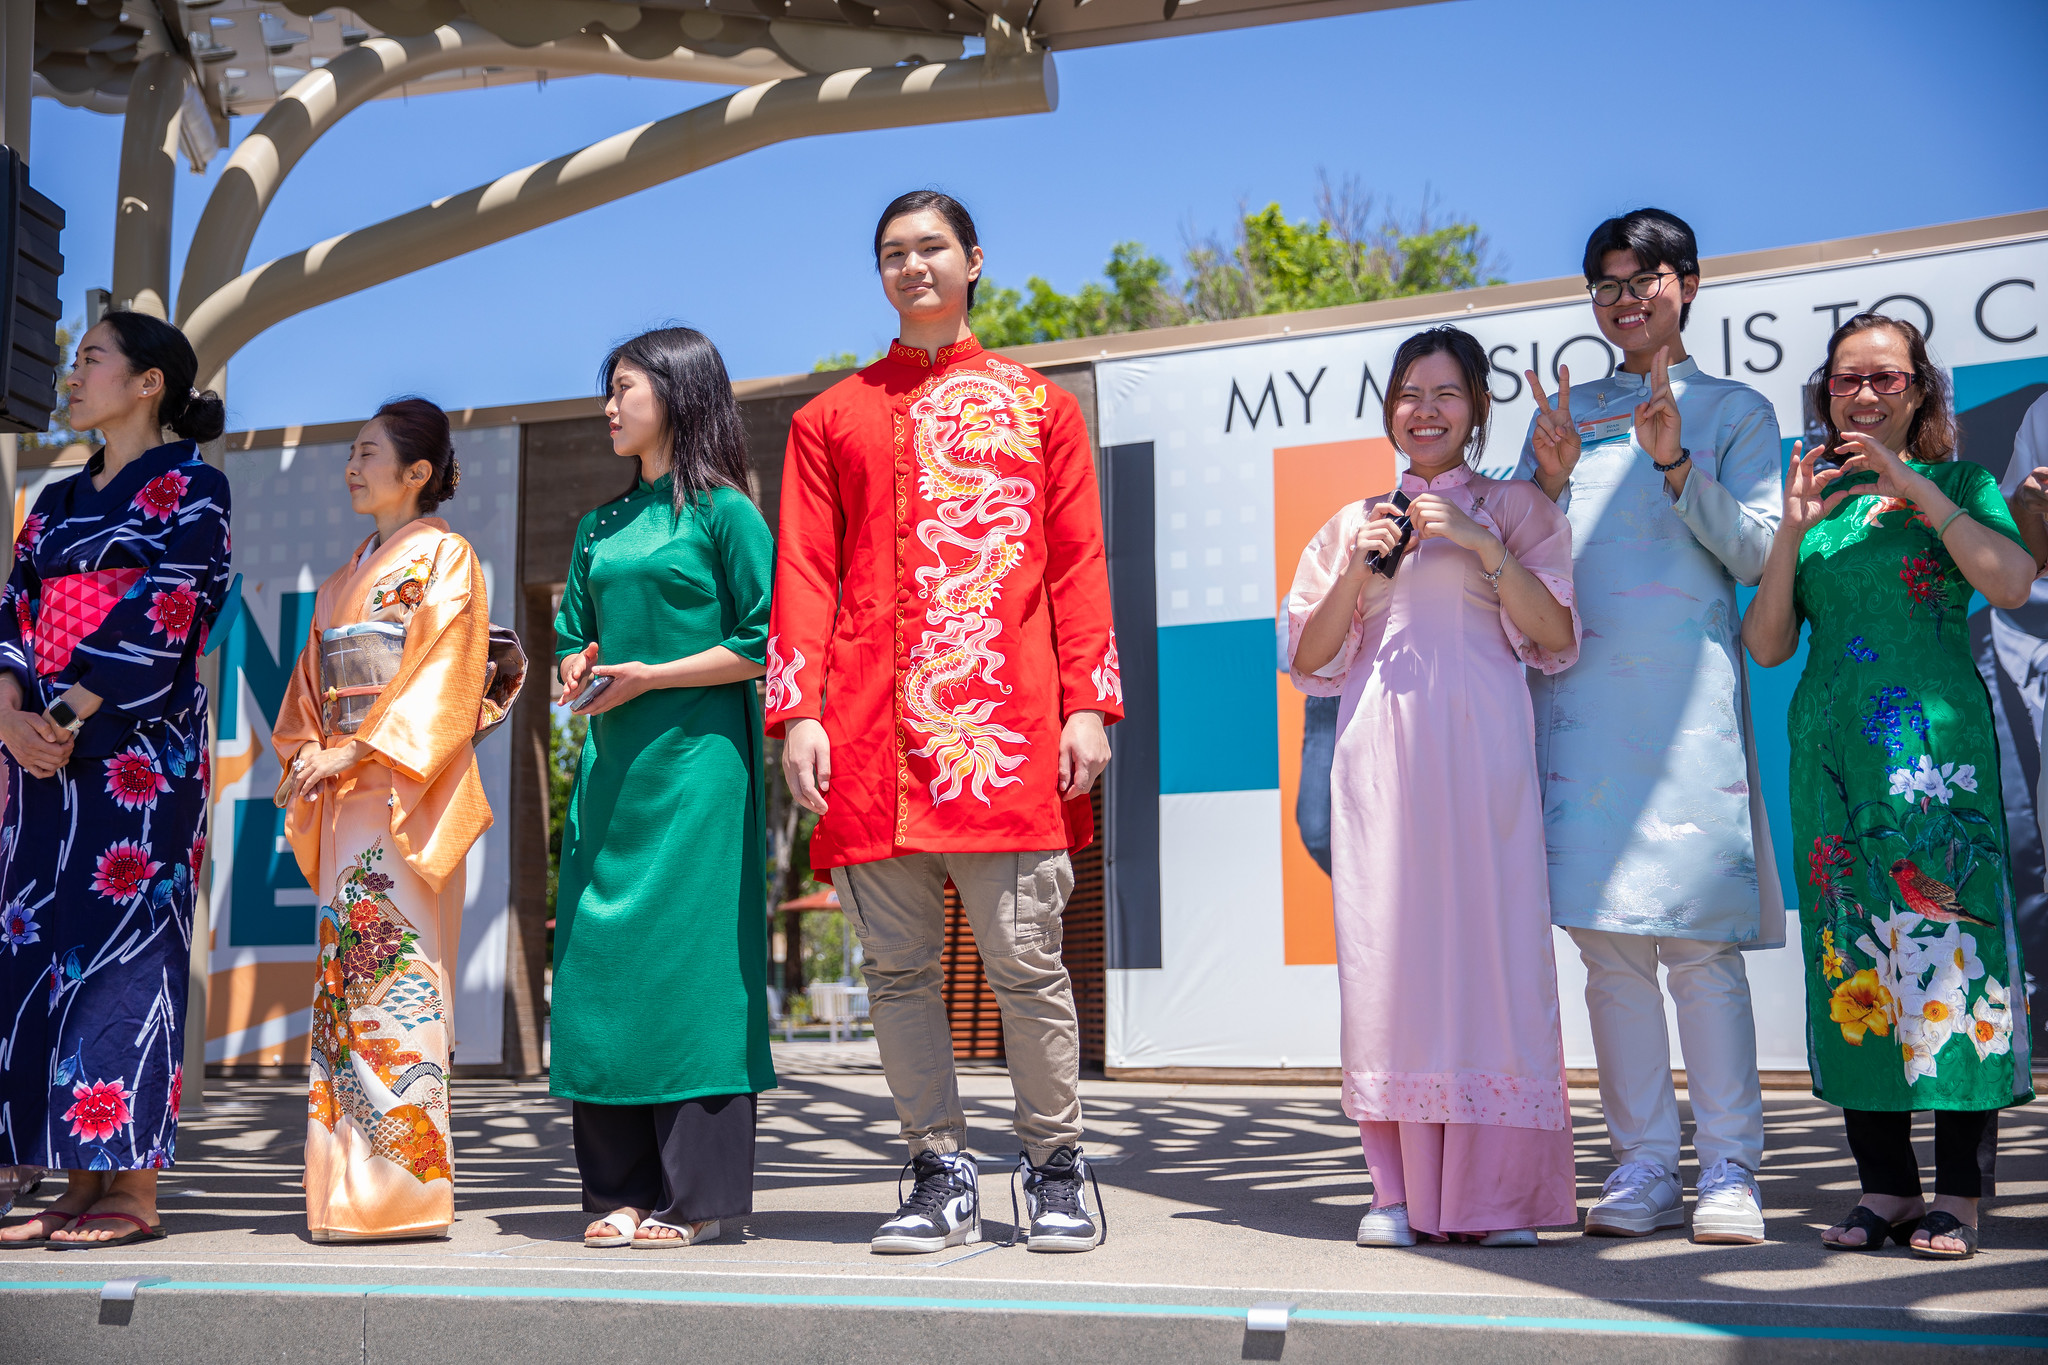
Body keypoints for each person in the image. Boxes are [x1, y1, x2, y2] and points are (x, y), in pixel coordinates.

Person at [769, 191, 1121, 1255]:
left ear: (974, 260)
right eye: (892, 252)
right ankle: (938, 1172)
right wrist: (798, 712)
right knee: (896, 974)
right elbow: (805, 573)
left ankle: (1055, 1167)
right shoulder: (827, 419)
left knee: (1026, 964)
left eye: (931, 247)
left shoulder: (1039, 407)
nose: (912, 265)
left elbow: (1078, 564)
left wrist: (1088, 703)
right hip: (868, 738)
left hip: (1004, 734)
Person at [1513, 208, 1783, 1244]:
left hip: (1685, 719)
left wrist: (1675, 468)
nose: (1624, 300)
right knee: (1608, 953)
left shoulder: (1734, 410)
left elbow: (1758, 553)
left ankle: (1729, 1168)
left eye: (1644, 279)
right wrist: (1541, 480)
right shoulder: (1565, 414)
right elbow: (1516, 561)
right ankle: (1640, 1164)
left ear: (1688, 285)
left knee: (1698, 949)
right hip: (1577, 714)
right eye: (1606, 284)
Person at [1743, 313, 2035, 1260]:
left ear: (1920, 390)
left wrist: (1912, 484)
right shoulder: (1814, 502)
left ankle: (1959, 1195)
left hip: (1936, 761)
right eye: (1846, 379)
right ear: (1825, 393)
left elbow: (2011, 581)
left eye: (1885, 378)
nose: (1863, 394)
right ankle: (1887, 1187)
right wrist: (1793, 530)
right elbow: (1768, 644)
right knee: (1853, 959)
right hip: (1834, 766)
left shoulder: (1963, 484)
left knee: (1955, 957)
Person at [1287, 325, 1581, 1248]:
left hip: (1484, 763)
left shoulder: (1518, 509)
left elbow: (1557, 637)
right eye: (1410, 393)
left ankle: (1499, 1199)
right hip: (1381, 768)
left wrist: (1484, 545)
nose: (1426, 409)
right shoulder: (1352, 525)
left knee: (1494, 963)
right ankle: (1395, 1193)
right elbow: (1309, 658)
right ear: (1389, 411)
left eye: (1447, 392)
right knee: (1391, 968)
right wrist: (1359, 567)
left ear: (1478, 408)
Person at [0, 312, 231, 1247]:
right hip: (38, 758)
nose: (73, 371)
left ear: (148, 383)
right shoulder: (53, 500)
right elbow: (13, 611)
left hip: (139, 752)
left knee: (128, 951)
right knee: (37, 947)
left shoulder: (195, 487)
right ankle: (73, 1176)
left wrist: (60, 716)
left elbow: (171, 608)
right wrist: (10, 716)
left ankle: (132, 1187)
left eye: (91, 357)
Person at [552, 328, 776, 1250]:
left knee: (694, 970)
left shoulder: (727, 512)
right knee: (601, 962)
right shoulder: (597, 527)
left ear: (680, 394)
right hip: (613, 774)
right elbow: (571, 634)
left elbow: (763, 641)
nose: (610, 407)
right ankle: (618, 1189)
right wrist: (577, 666)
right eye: (607, 391)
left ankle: (698, 1198)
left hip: (700, 772)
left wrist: (654, 675)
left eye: (625, 388)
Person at [272, 397, 491, 1242]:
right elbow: (308, 694)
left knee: (398, 988)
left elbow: (446, 680)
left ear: (417, 472)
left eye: (369, 453)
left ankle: (403, 1196)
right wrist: (309, 753)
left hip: (402, 794)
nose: (352, 467)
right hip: (345, 801)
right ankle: (341, 1194)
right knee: (344, 988)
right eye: (352, 453)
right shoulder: (342, 579)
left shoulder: (445, 558)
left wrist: (355, 751)